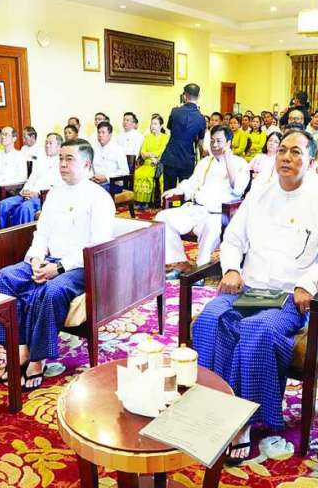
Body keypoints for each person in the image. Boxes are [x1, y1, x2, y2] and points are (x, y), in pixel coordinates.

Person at [192, 129, 318, 464]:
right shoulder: (260, 193)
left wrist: (309, 283)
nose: (286, 157)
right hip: (249, 288)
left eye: (296, 152)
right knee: (208, 321)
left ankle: (243, 422)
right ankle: (212, 405)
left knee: (256, 331)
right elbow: (233, 239)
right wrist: (232, 269)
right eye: (282, 151)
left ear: (311, 161)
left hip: (289, 296)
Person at [0, 139, 115, 391]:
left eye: (69, 159)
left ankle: (38, 359)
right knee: (5, 277)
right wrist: (36, 259)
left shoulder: (100, 198)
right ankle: (19, 348)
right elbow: (42, 233)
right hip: (48, 260)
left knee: (51, 290)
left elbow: (96, 246)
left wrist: (58, 269)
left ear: (87, 164)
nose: (62, 164)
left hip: (81, 267)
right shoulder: (55, 193)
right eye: (60, 158)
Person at [155, 125, 250, 278]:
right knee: (162, 217)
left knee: (211, 227)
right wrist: (178, 190)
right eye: (212, 141)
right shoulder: (205, 162)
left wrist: (227, 160)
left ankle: (200, 269)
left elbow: (238, 189)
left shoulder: (240, 163)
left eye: (219, 141)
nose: (214, 145)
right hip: (195, 209)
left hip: (219, 214)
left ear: (228, 143)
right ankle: (180, 262)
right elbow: (192, 182)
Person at [0, 132, 63, 228]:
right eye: (46, 143)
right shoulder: (41, 160)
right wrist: (26, 190)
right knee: (3, 204)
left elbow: (57, 186)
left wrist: (37, 194)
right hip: (28, 193)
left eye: (50, 143)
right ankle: (3, 235)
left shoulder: (62, 163)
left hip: (42, 197)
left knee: (24, 208)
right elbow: (31, 178)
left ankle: (21, 237)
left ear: (59, 147)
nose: (47, 146)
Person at [160, 83, 207, 192]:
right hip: (187, 159)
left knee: (168, 191)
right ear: (199, 97)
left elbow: (171, 129)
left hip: (171, 156)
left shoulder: (175, 111)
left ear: (185, 96)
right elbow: (200, 142)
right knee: (185, 191)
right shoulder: (201, 118)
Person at [133, 114, 169, 207]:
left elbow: (160, 152)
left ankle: (147, 202)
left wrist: (149, 155)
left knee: (148, 174)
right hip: (147, 163)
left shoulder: (165, 137)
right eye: (152, 124)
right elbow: (142, 152)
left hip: (158, 163)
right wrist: (150, 156)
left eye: (155, 124)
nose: (153, 126)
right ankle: (138, 201)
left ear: (161, 126)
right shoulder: (147, 137)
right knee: (138, 173)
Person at [91, 121, 129, 192]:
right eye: (98, 132)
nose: (100, 135)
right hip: (96, 183)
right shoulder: (94, 149)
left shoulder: (118, 149)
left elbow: (125, 171)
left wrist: (106, 177)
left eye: (103, 132)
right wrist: (92, 177)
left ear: (110, 135)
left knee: (96, 191)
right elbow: (90, 168)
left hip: (113, 184)